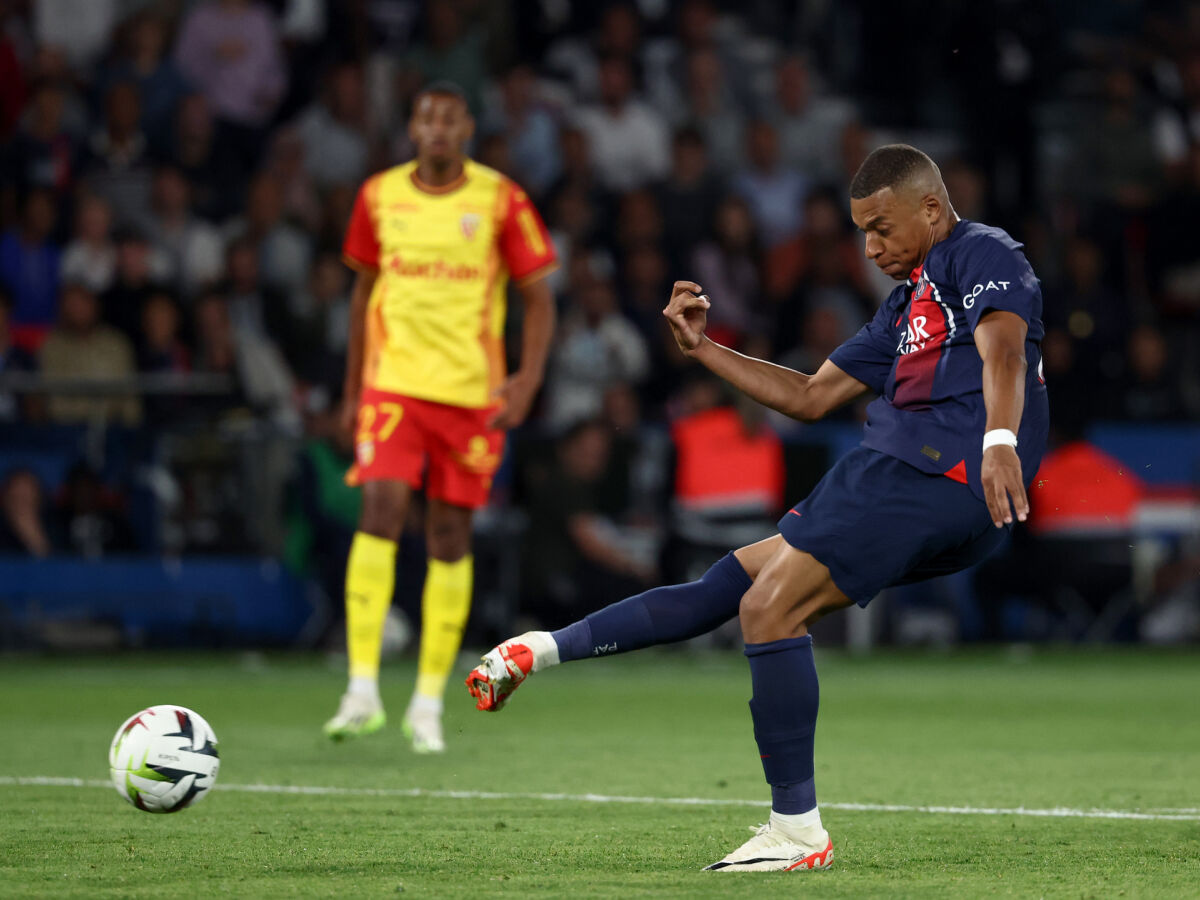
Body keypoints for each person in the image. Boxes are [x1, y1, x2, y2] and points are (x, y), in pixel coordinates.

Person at [466, 145, 1048, 872]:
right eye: (861, 232)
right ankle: (540, 650)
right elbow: (808, 397)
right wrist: (705, 348)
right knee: (732, 586)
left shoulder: (979, 253)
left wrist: (998, 439)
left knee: (769, 610)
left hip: (930, 469)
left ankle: (796, 827)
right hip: (918, 482)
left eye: (880, 228)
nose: (869, 248)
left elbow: (1005, 352)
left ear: (931, 208)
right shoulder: (905, 309)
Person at [323, 82, 557, 753]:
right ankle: (361, 688)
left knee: (450, 536)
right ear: (412, 128)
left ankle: (426, 702)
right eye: (425, 119)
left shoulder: (500, 199)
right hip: (393, 386)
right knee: (381, 510)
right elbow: (362, 293)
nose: (436, 131)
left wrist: (527, 379)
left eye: (449, 120)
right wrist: (350, 390)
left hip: (469, 395)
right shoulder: (377, 196)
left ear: (467, 130)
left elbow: (539, 298)